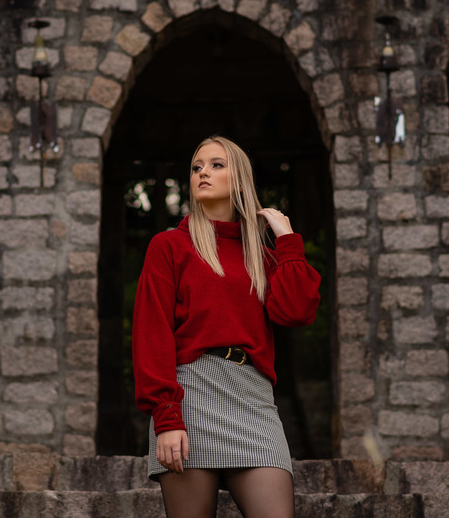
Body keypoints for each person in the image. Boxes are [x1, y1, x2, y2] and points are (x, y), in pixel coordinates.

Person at [132, 135, 322, 518]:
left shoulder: (263, 256)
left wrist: (286, 241)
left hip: (253, 398)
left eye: (217, 164)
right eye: (197, 166)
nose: (203, 172)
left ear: (239, 179)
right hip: (191, 394)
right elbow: (151, 333)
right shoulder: (170, 246)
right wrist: (166, 415)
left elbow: (297, 312)